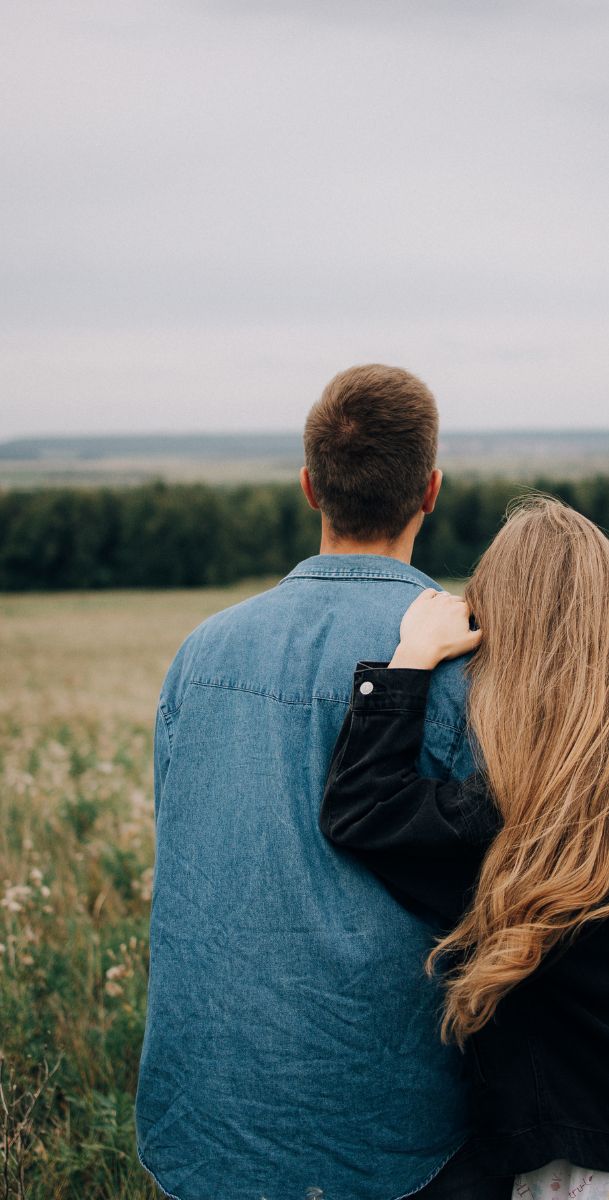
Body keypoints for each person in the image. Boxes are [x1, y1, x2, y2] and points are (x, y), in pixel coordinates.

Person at [321, 498, 609, 1200]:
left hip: (599, 1157)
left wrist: (408, 662)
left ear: (505, 638)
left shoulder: (533, 803)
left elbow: (362, 808)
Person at [135, 365, 512, 1200]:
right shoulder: (473, 665)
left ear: (311, 486)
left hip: (208, 1119)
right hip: (405, 1134)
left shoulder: (201, 656)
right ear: (432, 490)